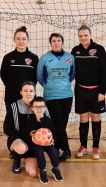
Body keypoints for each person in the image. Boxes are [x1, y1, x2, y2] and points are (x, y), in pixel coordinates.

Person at [71, 24, 106, 160]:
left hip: (96, 91)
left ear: (90, 35)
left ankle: (96, 147)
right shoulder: (75, 50)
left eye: (85, 35)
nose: (83, 38)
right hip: (80, 90)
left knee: (96, 118)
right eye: (80, 36)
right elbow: (67, 64)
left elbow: (105, 72)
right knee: (83, 119)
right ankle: (83, 146)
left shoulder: (99, 50)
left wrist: (102, 91)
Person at [0, 26, 39, 159]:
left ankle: (30, 146)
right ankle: (14, 147)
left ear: (28, 40)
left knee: (28, 120)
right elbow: (3, 76)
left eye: (23, 39)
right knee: (13, 122)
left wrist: (26, 92)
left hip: (28, 96)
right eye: (18, 39)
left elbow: (35, 78)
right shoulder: (8, 57)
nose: (21, 41)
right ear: (14, 40)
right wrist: (14, 87)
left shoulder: (34, 58)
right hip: (11, 95)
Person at [37, 33, 75, 162]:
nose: (56, 43)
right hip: (51, 96)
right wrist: (49, 86)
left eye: (59, 40)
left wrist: (63, 85)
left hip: (67, 95)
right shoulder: (44, 58)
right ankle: (66, 149)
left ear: (62, 42)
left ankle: (56, 147)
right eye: (54, 41)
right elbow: (39, 76)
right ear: (51, 43)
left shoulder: (70, 57)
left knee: (62, 123)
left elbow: (72, 75)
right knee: (58, 122)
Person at [3, 81, 50, 176]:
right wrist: (25, 136)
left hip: (33, 143)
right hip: (18, 140)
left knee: (33, 173)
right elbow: (6, 129)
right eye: (25, 91)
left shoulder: (40, 106)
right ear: (21, 92)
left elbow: (48, 126)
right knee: (21, 148)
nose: (28, 93)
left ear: (35, 93)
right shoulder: (13, 106)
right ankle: (17, 159)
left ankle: (29, 158)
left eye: (31, 91)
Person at [22, 97, 62, 184]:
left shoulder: (49, 121)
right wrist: (31, 138)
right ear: (32, 108)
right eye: (36, 107)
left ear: (45, 108)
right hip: (35, 143)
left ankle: (56, 168)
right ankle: (42, 170)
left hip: (47, 143)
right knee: (39, 151)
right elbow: (24, 134)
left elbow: (54, 133)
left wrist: (53, 140)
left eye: (41, 106)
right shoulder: (30, 122)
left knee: (53, 150)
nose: (39, 109)